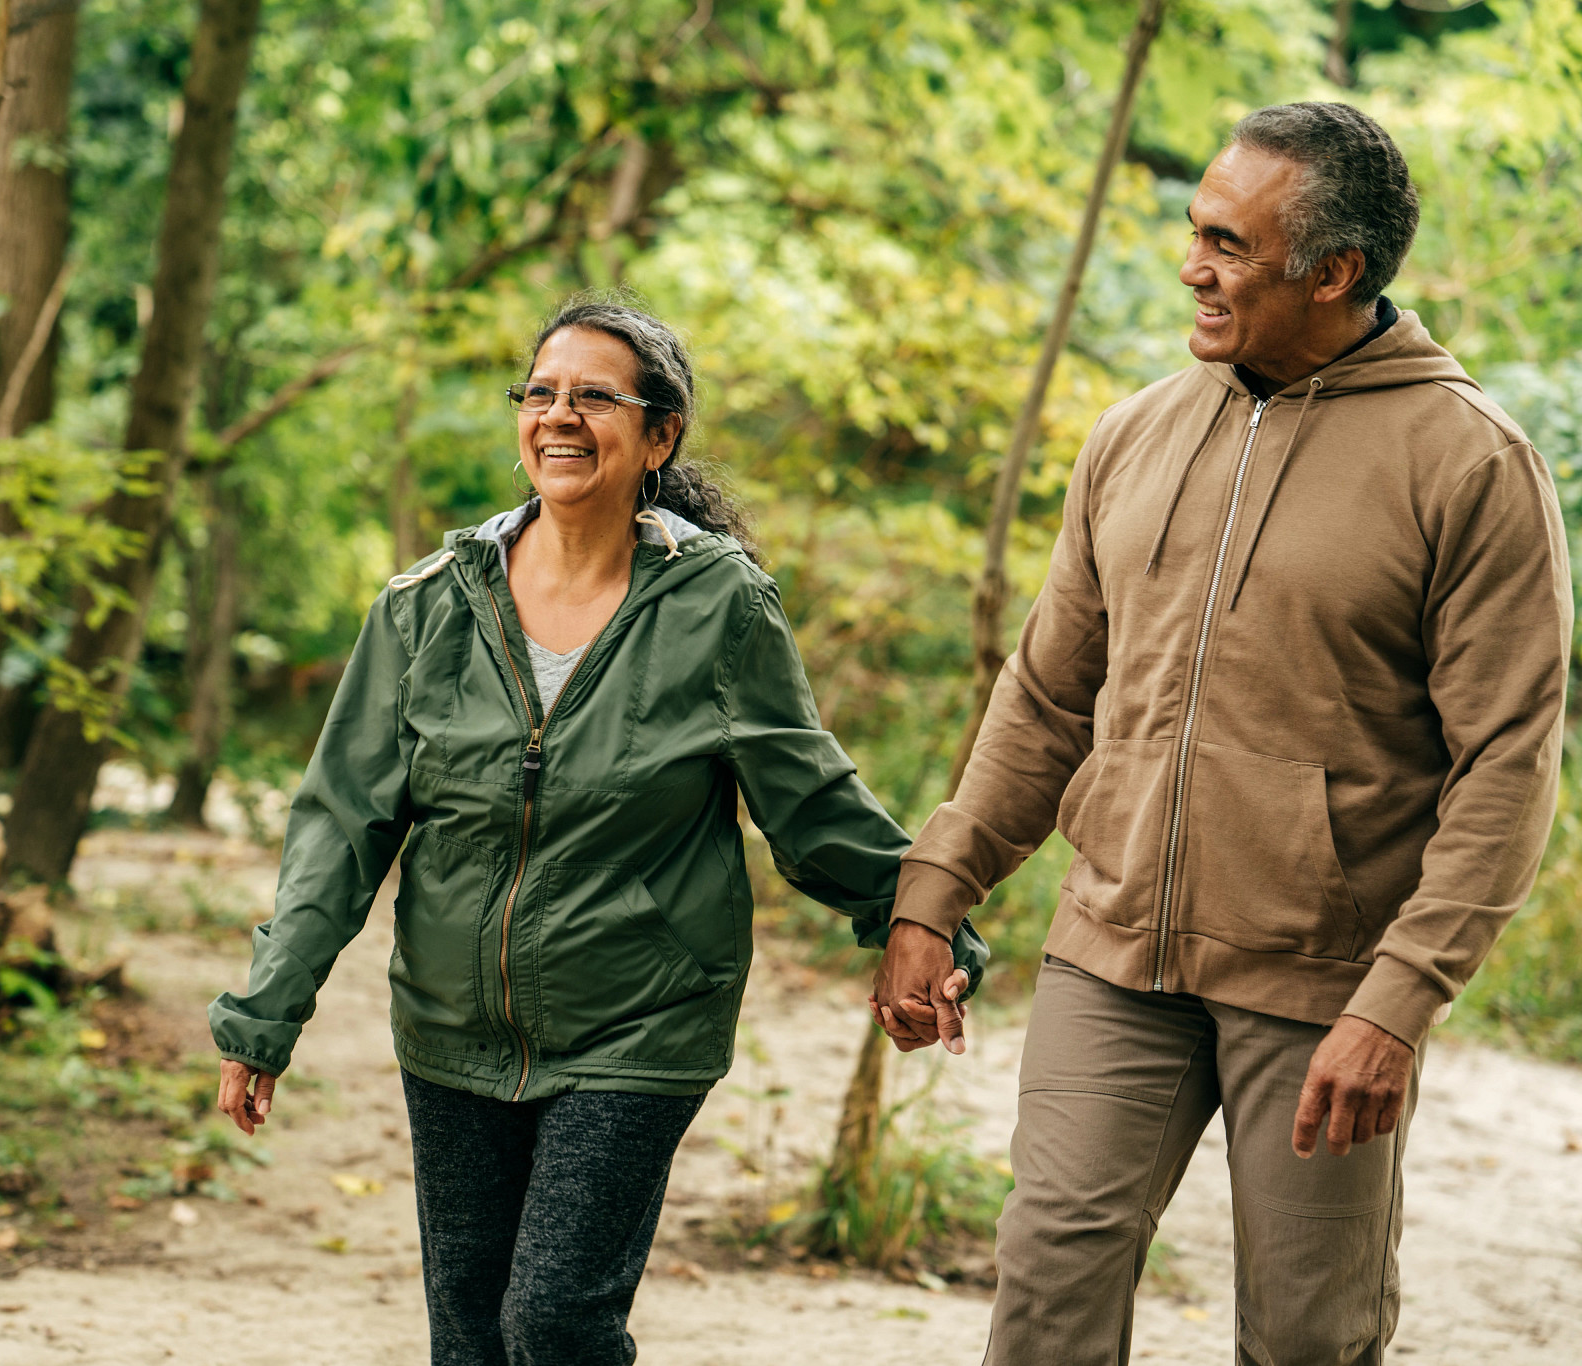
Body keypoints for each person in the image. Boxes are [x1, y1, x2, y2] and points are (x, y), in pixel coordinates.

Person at [871, 102, 1569, 1364]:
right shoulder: (1134, 433)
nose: (1190, 265)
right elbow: (1044, 697)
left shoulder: (1467, 465)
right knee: (1042, 1299)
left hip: (1323, 984)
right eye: (1194, 231)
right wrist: (935, 888)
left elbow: (1507, 768)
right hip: (1110, 951)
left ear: (1333, 271)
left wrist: (1396, 1001)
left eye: (1227, 245)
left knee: (1307, 1334)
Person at [207, 295, 987, 1366]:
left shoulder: (715, 605)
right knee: (471, 1339)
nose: (558, 415)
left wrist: (926, 921)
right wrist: (265, 1010)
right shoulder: (426, 607)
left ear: (657, 435)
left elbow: (805, 801)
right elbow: (341, 824)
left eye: (594, 397)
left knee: (556, 1321)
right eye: (540, 393)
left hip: (638, 1020)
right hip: (450, 1024)